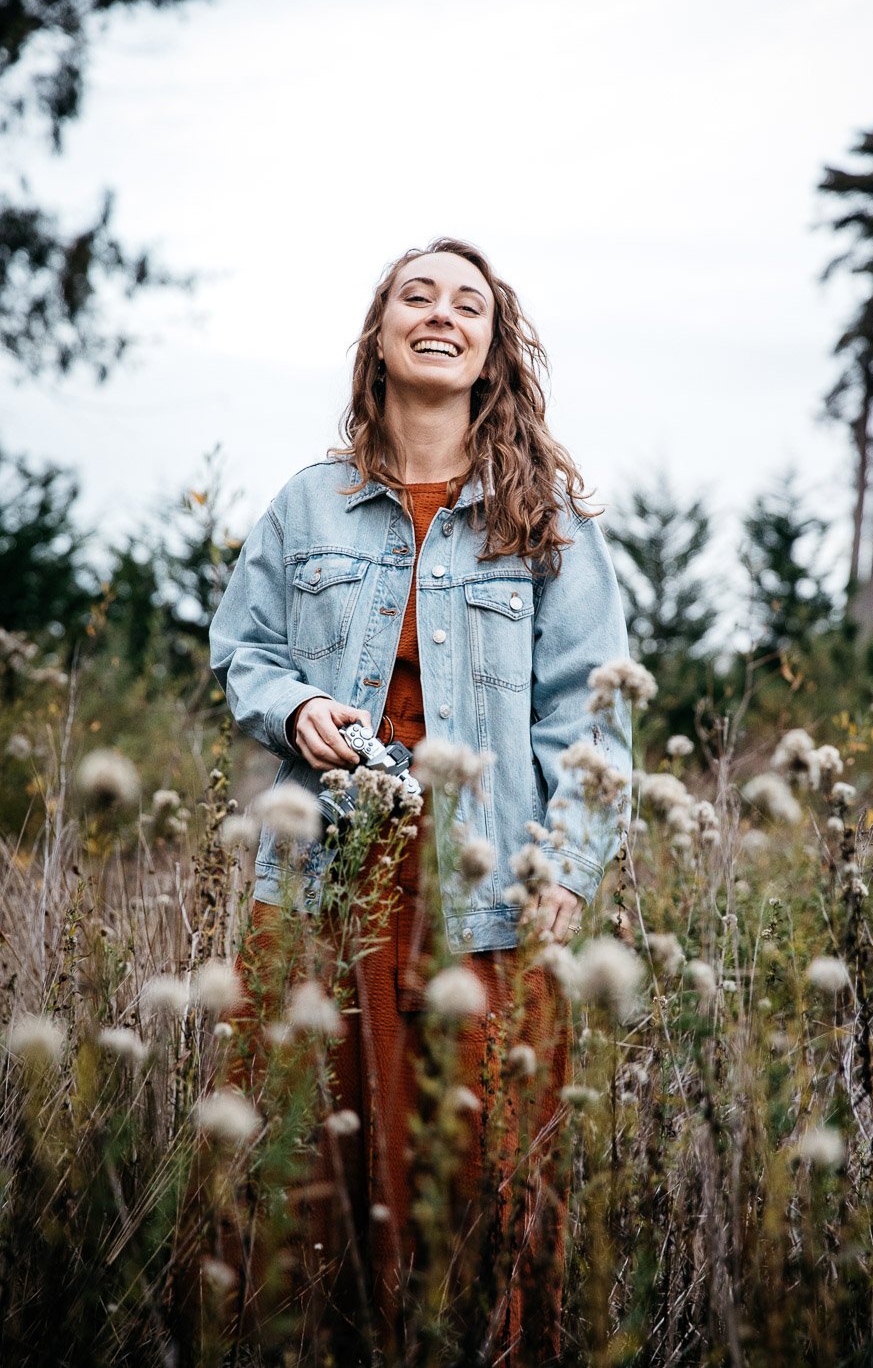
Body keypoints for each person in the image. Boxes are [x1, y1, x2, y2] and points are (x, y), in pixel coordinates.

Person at [208, 237, 632, 1364]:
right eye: (416, 296)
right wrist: (291, 706)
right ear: (381, 332)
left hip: (486, 888)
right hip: (321, 883)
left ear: (492, 348)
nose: (440, 314)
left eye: (469, 305)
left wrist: (570, 869)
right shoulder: (310, 504)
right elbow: (241, 650)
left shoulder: (546, 521)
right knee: (301, 1164)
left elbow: (591, 724)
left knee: (483, 1170)